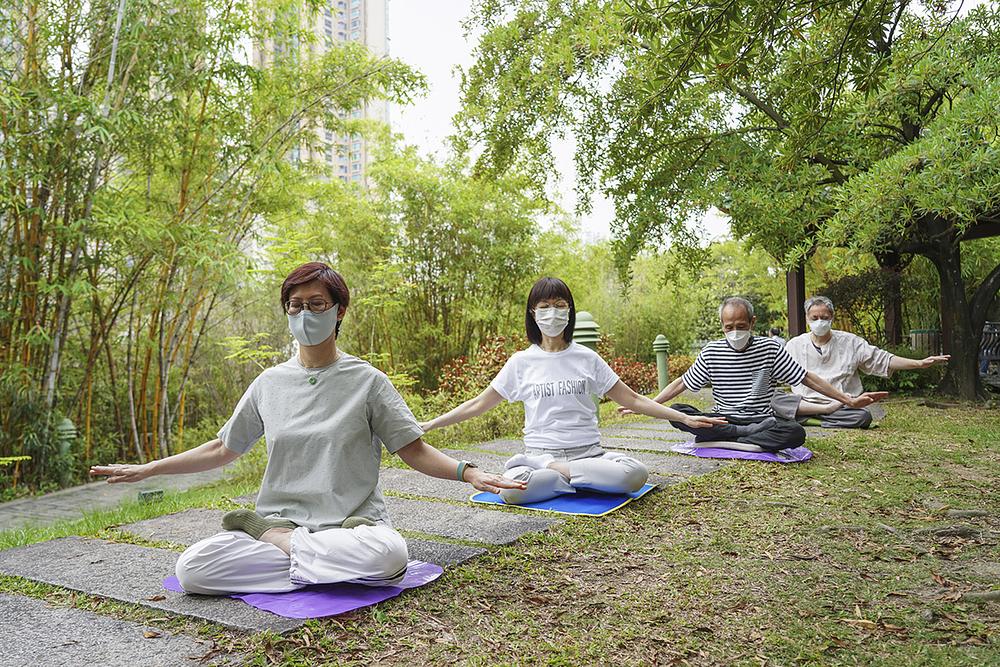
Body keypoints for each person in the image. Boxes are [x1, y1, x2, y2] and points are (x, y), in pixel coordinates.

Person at [90, 262, 523, 595]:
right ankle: (301, 553)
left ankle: (286, 548)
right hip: (283, 520)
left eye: (316, 304)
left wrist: (469, 472)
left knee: (390, 556)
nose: (304, 312)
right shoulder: (269, 383)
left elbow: (413, 450)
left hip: (352, 527)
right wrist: (149, 469)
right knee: (194, 568)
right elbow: (222, 449)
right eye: (295, 305)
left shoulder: (367, 381)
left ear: (339, 311)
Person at [420, 277, 728, 505]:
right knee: (509, 492)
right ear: (533, 313)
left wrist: (685, 419)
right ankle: (574, 476)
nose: (552, 313)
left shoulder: (587, 358)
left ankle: (557, 474)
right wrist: (432, 424)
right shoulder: (521, 362)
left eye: (560, 306)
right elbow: (478, 404)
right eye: (545, 307)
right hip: (542, 453)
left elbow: (631, 398)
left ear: (570, 311)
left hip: (589, 453)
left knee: (634, 474)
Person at [627, 297, 887, 451]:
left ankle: (731, 438)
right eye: (729, 327)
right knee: (681, 412)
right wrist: (646, 405)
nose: (735, 331)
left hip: (762, 419)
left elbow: (805, 377)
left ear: (752, 323)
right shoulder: (712, 351)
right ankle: (742, 436)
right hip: (724, 418)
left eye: (741, 325)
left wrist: (848, 400)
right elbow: (682, 383)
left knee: (795, 433)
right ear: (722, 327)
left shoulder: (770, 348)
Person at [772, 295, 950, 428]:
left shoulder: (850, 342)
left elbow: (882, 359)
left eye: (825, 318)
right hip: (805, 403)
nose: (820, 322)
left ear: (832, 317)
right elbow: (776, 373)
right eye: (815, 318)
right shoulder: (794, 344)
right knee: (774, 400)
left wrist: (919, 363)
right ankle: (816, 415)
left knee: (863, 416)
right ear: (807, 319)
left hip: (842, 405)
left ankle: (809, 418)